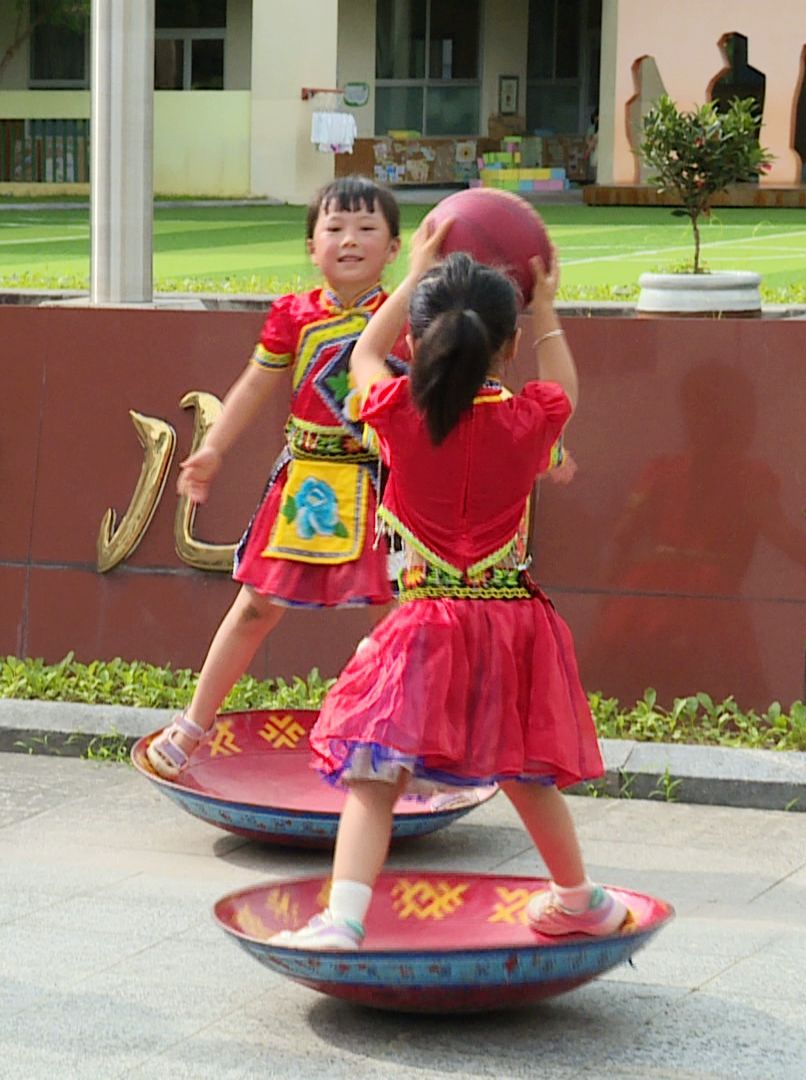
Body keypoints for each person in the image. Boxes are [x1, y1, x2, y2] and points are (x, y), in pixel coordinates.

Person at [272, 222, 626, 949]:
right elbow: (564, 388)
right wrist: (547, 307)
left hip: (427, 623)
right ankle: (578, 898)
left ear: (416, 342)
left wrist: (414, 274)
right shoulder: (531, 419)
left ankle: (344, 918)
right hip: (512, 623)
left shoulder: (398, 413)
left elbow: (364, 353)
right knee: (527, 772)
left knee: (375, 775)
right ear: (508, 346)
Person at [145, 176, 411, 779]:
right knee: (254, 609)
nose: (350, 240)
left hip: (380, 491)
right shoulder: (293, 316)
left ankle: (406, 743)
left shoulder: (410, 319)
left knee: (394, 619)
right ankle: (193, 725)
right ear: (311, 247)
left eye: (367, 229)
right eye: (335, 228)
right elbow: (254, 386)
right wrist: (213, 449)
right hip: (307, 488)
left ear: (394, 249)